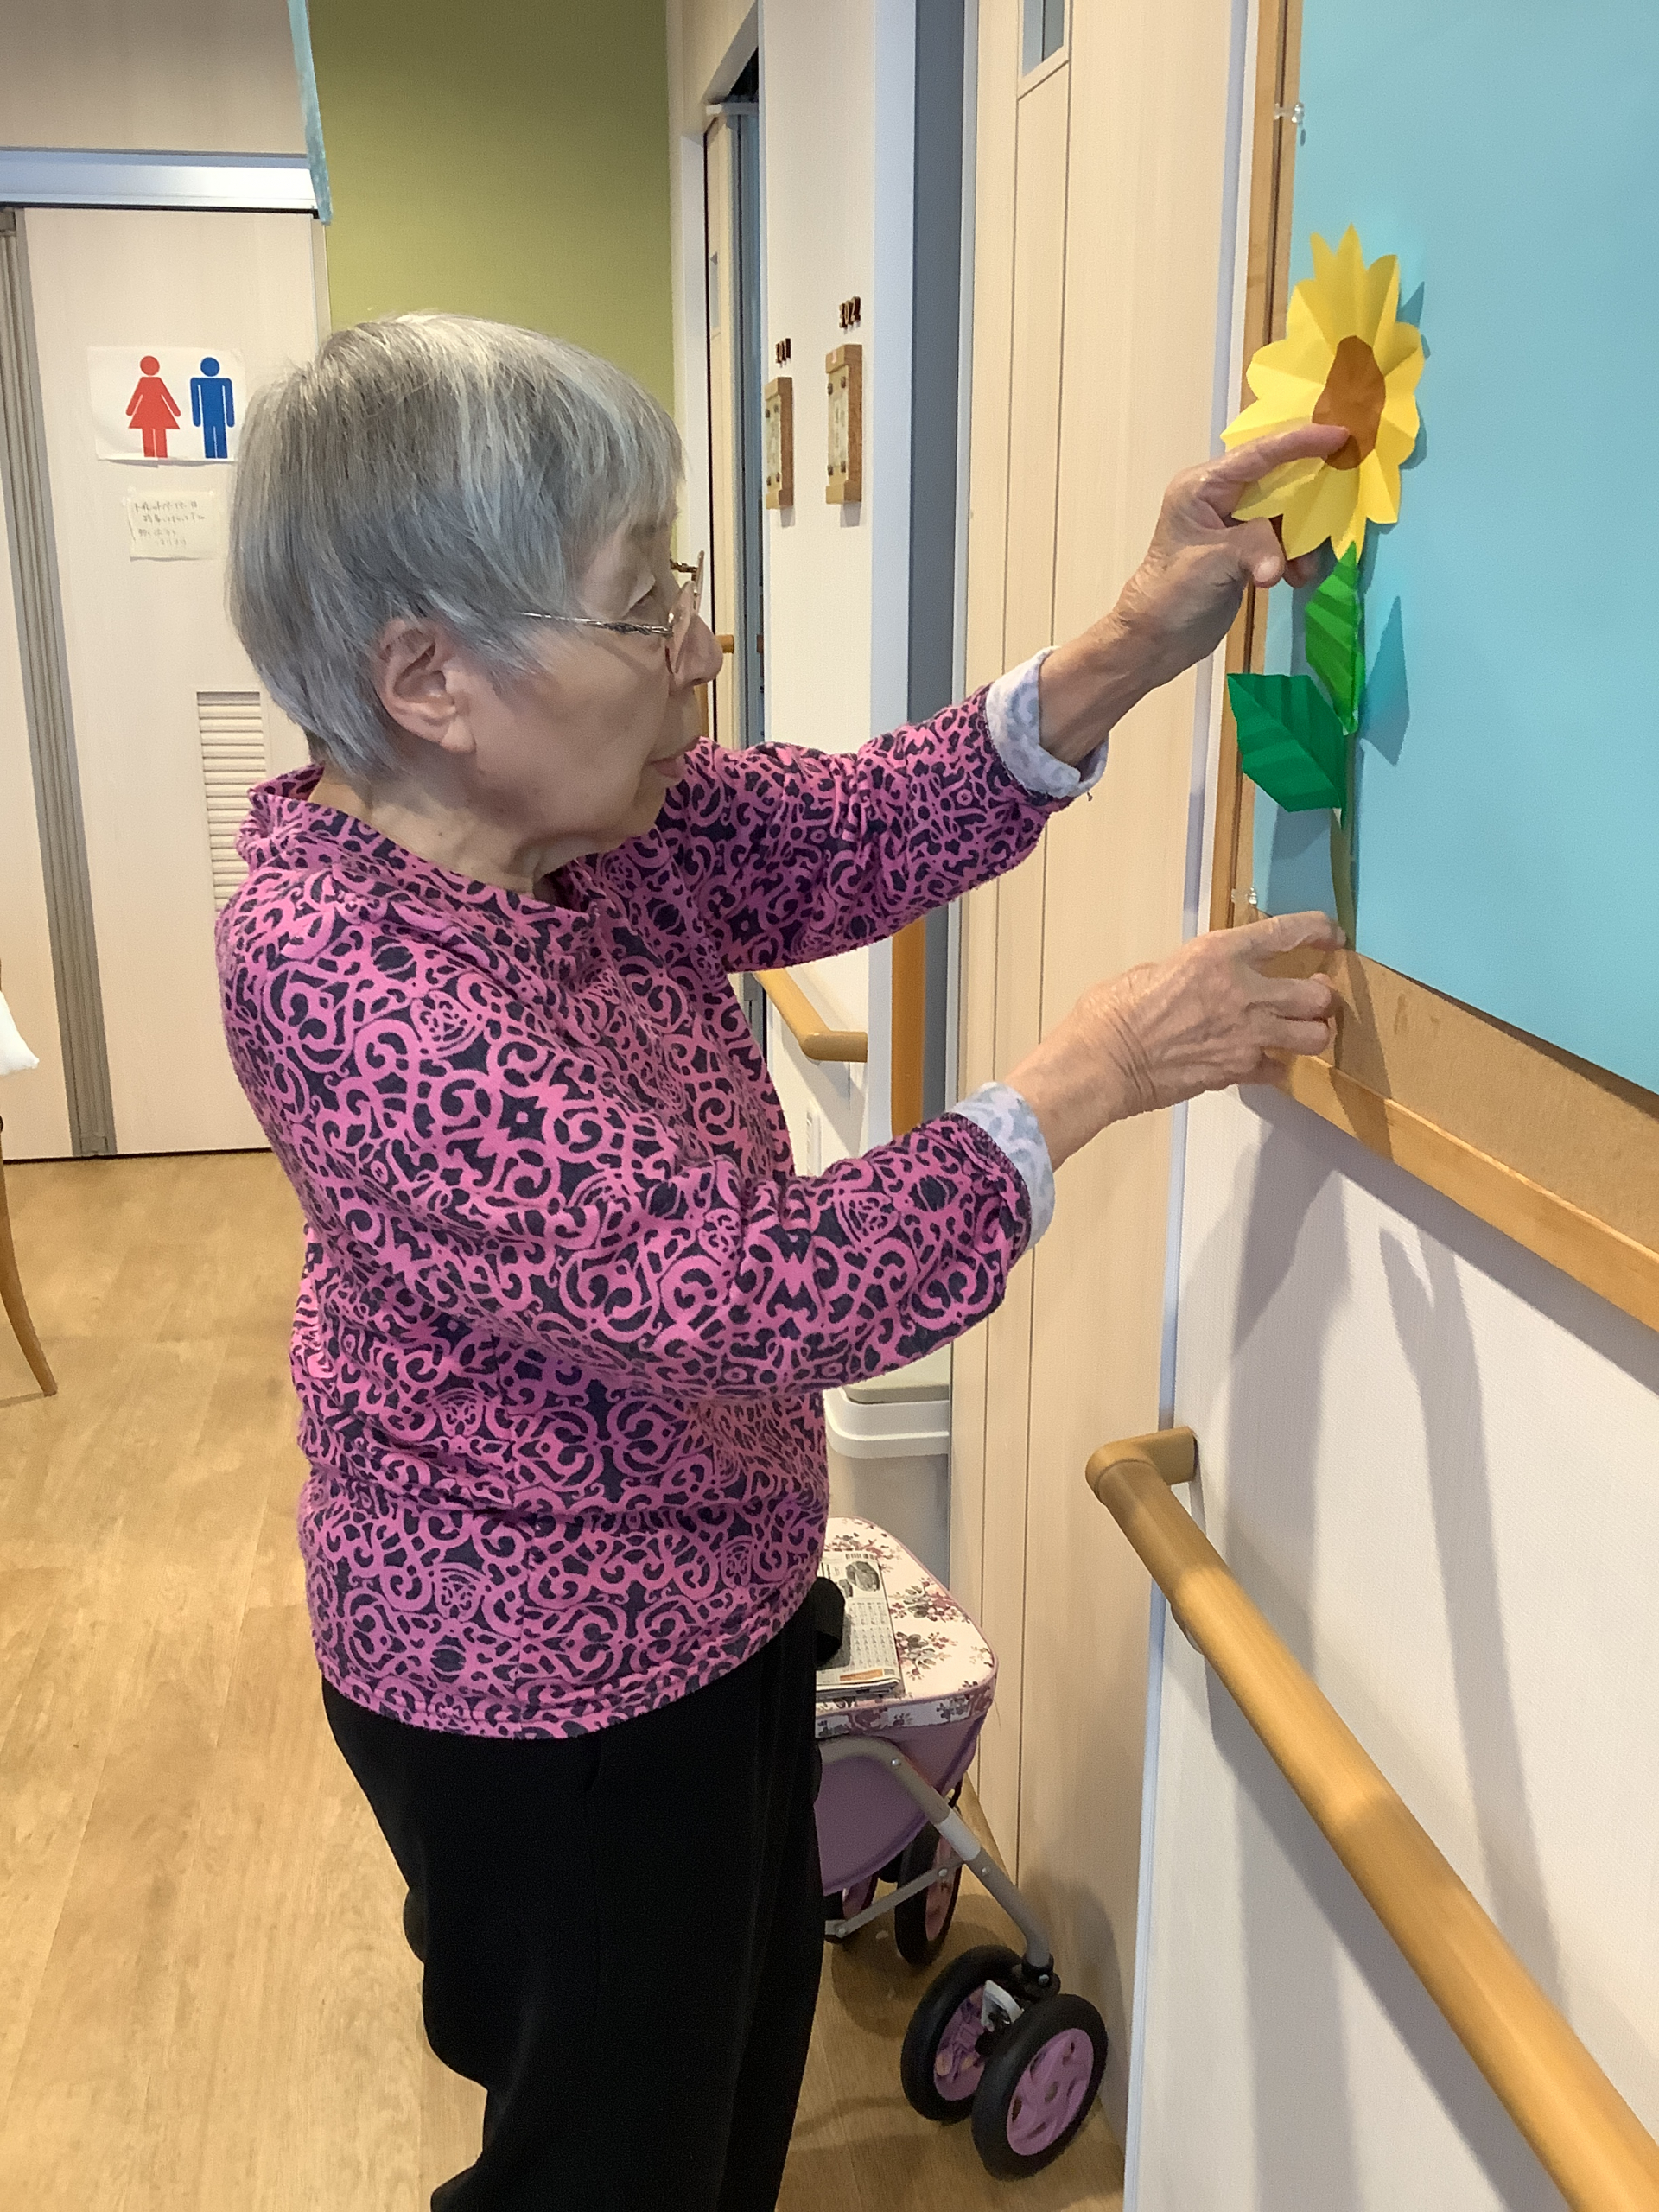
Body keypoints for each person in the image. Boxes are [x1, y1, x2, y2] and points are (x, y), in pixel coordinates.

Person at [219, 315, 1342, 2212]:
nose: (699, 647)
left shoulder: (573, 828)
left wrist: (1134, 637)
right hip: (545, 1692)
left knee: (721, 2107)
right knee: (610, 2162)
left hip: (714, 1607)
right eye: (640, 602)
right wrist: (1096, 1067)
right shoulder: (349, 975)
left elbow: (859, 823)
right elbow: (750, 1291)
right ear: (429, 677)